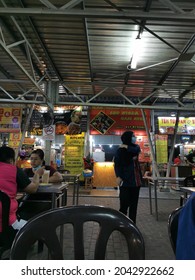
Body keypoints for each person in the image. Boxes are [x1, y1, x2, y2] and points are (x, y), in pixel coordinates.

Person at [0, 146, 44, 232]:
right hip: (7, 224)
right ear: (10, 159)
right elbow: (33, 189)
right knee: (34, 229)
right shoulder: (14, 170)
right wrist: (37, 174)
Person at [17, 149, 63, 220]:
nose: (33, 161)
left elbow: (59, 177)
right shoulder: (27, 171)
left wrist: (40, 180)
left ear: (41, 160)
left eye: (36, 159)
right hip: (29, 198)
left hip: (45, 199)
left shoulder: (47, 169)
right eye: (31, 159)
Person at [114, 131, 143, 224]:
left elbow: (137, 149)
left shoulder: (135, 148)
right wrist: (118, 176)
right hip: (125, 181)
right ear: (128, 138)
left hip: (136, 182)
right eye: (133, 136)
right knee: (124, 204)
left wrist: (126, 147)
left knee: (134, 206)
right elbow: (117, 165)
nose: (135, 137)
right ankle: (122, 223)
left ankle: (132, 224)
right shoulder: (120, 151)